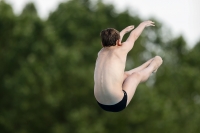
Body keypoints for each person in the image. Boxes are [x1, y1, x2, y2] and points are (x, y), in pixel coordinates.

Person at [94, 20, 163, 112]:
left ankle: (147, 64)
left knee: (126, 75)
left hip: (100, 102)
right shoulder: (122, 49)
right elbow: (134, 35)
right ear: (119, 42)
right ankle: (152, 67)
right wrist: (142, 24)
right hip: (117, 103)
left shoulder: (101, 52)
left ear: (102, 44)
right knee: (135, 76)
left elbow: (114, 43)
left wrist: (122, 32)